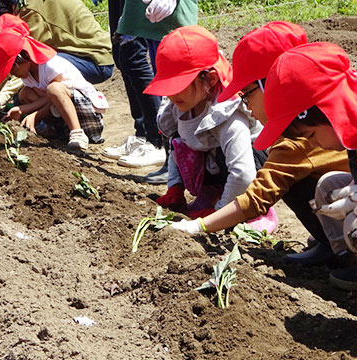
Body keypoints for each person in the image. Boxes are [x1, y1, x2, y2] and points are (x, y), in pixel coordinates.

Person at [170, 24, 349, 267]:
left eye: (247, 93)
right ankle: (331, 241)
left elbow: (255, 198)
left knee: (300, 182)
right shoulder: (310, 118)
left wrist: (199, 225)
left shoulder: (300, 134)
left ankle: (342, 252)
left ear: (274, 83)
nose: (245, 104)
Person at [251, 42, 357, 290]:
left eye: (311, 135)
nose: (315, 144)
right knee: (330, 186)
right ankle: (349, 262)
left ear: (325, 113)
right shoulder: (350, 141)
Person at [144, 25, 266, 221]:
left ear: (210, 78)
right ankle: (212, 192)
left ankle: (252, 211)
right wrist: (175, 186)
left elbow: (243, 173)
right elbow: (178, 146)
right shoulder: (181, 103)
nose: (170, 94)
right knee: (179, 139)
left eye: (178, 86)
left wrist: (218, 213)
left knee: (238, 161)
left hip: (251, 174)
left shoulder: (227, 114)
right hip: (217, 167)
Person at [0, 0, 114, 118]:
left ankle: (65, 120)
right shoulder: (27, 4)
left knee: (28, 91)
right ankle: (55, 114)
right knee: (27, 91)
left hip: (94, 58)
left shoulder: (30, 11)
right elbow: (13, 59)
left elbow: (24, 62)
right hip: (77, 50)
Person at [102, 0, 197, 179]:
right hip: (144, 9)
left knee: (175, 79)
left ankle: (175, 155)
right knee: (162, 76)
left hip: (166, 12)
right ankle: (172, 159)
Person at [0, 28, 108, 151]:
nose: (13, 74)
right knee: (25, 93)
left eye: (12, 69)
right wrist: (22, 110)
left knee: (54, 88)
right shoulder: (28, 75)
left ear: (23, 59)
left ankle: (78, 134)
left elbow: (54, 95)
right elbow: (48, 99)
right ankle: (51, 129)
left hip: (87, 117)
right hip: (61, 119)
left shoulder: (50, 65)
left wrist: (33, 114)